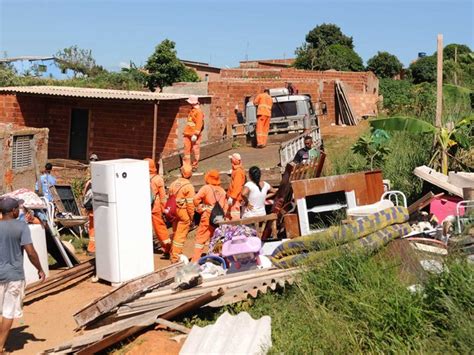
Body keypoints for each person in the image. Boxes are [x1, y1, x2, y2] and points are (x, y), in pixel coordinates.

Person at [0, 197, 45, 352]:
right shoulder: (21, 227)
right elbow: (31, 252)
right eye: (18, 208)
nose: (19, 210)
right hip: (14, 276)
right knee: (8, 312)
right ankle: (0, 346)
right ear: (13, 211)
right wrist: (39, 268)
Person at [192, 170, 226, 262]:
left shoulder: (206, 188)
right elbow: (225, 207)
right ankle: (214, 258)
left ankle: (195, 261)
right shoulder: (222, 191)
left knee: (200, 238)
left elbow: (195, 199)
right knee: (215, 237)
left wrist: (200, 207)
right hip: (218, 218)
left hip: (207, 216)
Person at [168, 163, 195, 263]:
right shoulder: (189, 186)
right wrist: (192, 217)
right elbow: (190, 205)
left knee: (175, 234)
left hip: (174, 211)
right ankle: (175, 257)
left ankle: (173, 253)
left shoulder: (173, 184)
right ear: (190, 174)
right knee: (180, 236)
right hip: (183, 213)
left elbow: (169, 197)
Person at [145, 158, 171, 258]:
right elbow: (162, 196)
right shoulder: (158, 179)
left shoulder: (139, 176)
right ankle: (167, 248)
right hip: (154, 206)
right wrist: (164, 209)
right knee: (159, 228)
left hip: (141, 206)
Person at [183, 95, 204, 172]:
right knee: (187, 150)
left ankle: (194, 165)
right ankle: (187, 166)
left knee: (195, 150)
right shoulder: (193, 110)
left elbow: (199, 123)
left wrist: (195, 134)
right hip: (187, 133)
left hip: (193, 134)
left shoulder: (199, 112)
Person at [84, 153, 99, 255]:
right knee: (95, 229)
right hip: (96, 209)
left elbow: (84, 194)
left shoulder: (88, 182)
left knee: (92, 228)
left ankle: (92, 247)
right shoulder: (99, 180)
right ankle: (92, 248)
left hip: (90, 208)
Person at [226, 153, 246, 221]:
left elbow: (237, 186)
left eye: (231, 159)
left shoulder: (238, 172)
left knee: (235, 216)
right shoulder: (237, 170)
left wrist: (232, 197)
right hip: (234, 198)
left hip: (235, 199)